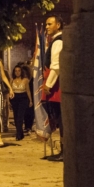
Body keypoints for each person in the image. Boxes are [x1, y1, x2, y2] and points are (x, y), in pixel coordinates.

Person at [42, 16, 64, 162]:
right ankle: (63, 150)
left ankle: (64, 151)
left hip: (56, 85)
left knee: (61, 119)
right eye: (46, 24)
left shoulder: (58, 41)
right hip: (55, 84)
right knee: (60, 118)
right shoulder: (56, 40)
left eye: (50, 24)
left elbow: (56, 66)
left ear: (58, 25)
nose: (47, 27)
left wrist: (48, 84)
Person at [10, 65, 32, 141]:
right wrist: (8, 100)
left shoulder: (25, 80)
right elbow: (10, 91)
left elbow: (28, 91)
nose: (17, 72)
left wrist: (30, 100)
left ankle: (18, 134)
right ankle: (20, 132)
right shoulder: (12, 80)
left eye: (19, 71)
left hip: (23, 98)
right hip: (14, 98)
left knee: (20, 116)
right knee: (16, 116)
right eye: (16, 71)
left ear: (21, 71)